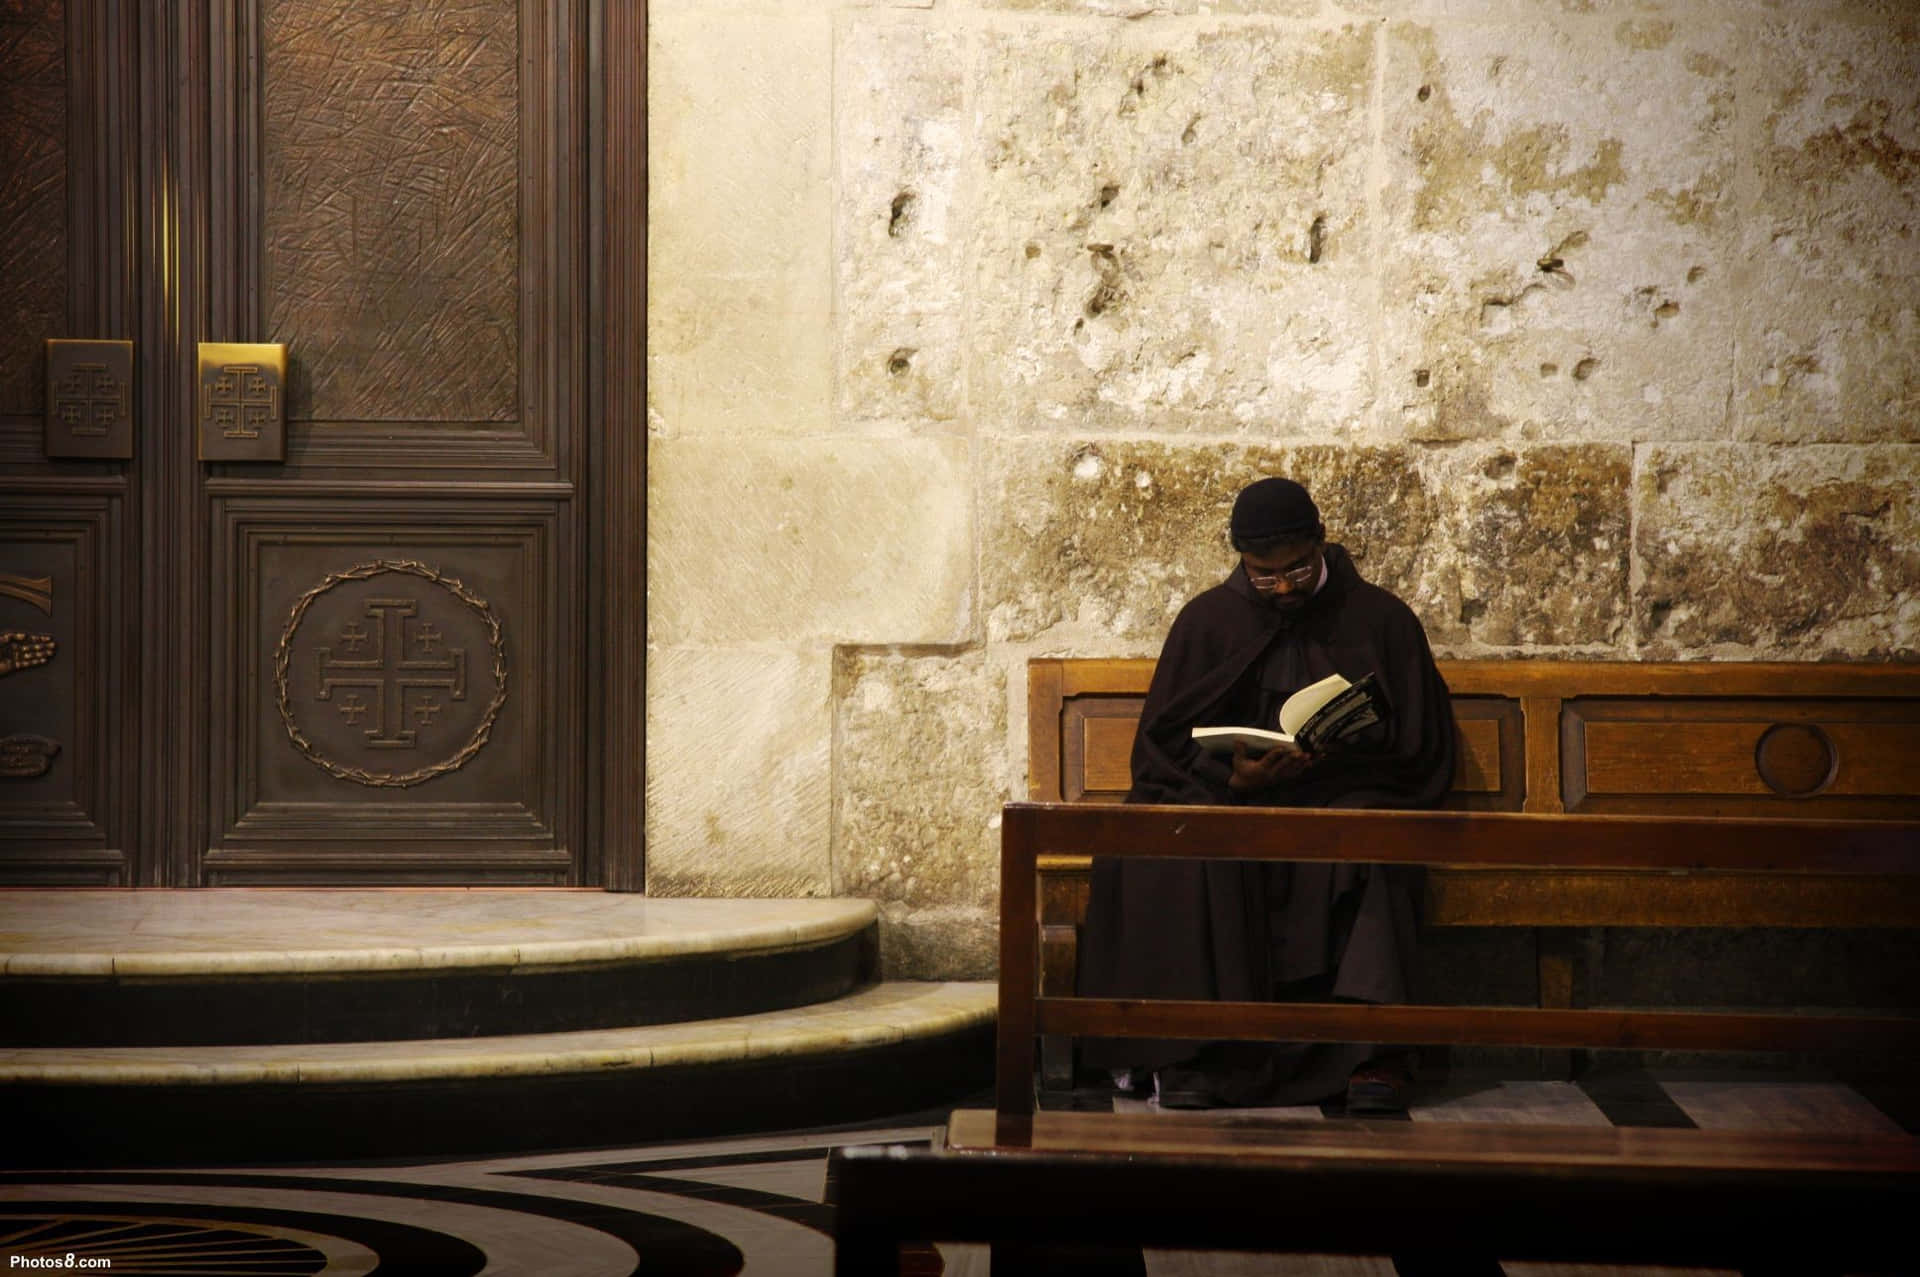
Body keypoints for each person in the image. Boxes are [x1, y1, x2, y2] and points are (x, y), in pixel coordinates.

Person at [1076, 475, 1456, 1113]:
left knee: (1372, 838)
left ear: (1321, 543)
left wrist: (1336, 760)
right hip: (1228, 799)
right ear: (1241, 562)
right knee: (1164, 838)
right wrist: (1233, 780)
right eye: (1263, 576)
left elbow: (1420, 747)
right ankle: (1197, 1052)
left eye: (1298, 570)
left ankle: (1370, 1058)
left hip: (1343, 798)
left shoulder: (1382, 620)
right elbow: (1159, 751)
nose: (1283, 587)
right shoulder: (1208, 619)